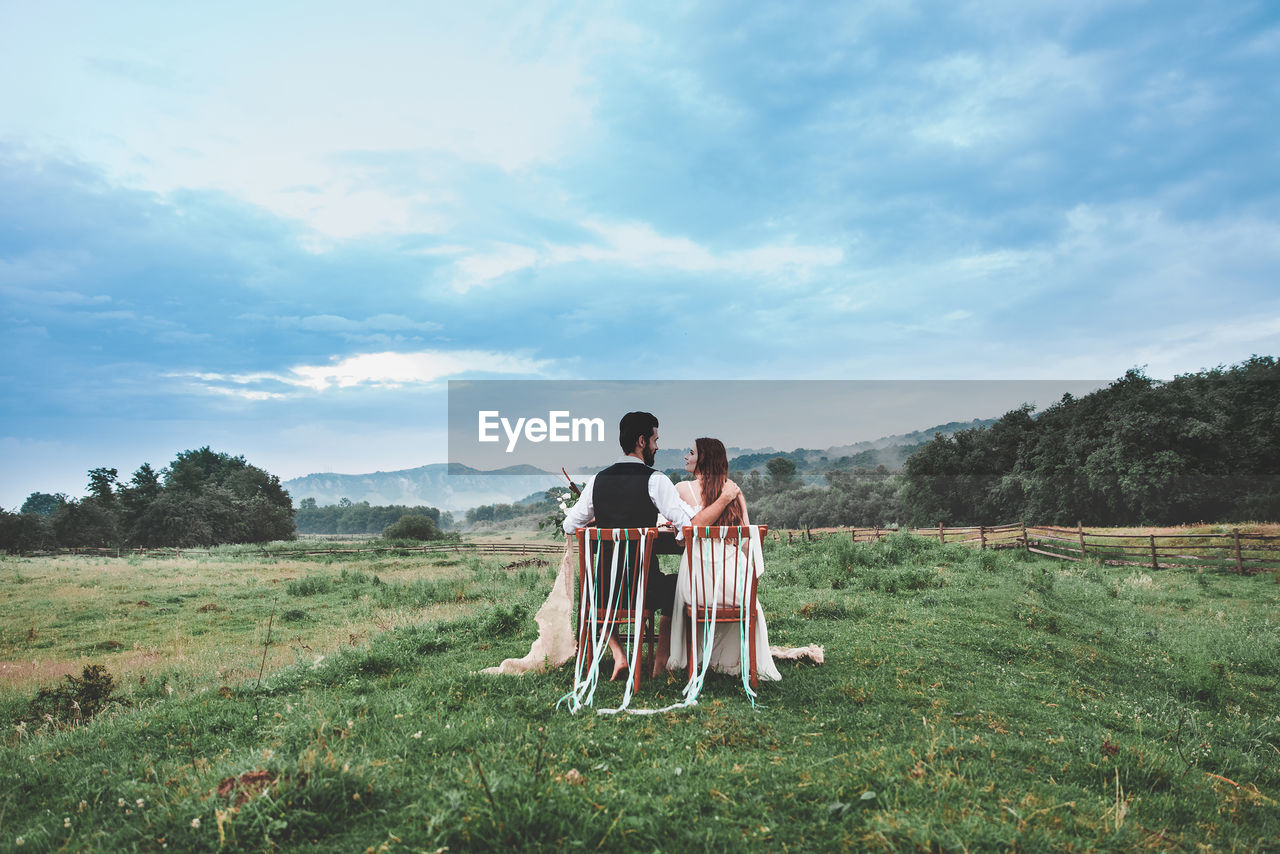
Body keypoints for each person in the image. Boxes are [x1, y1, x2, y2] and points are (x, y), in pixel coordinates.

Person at [563, 412, 742, 680]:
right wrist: (678, 537)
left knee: (594, 598)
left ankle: (619, 655)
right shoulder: (655, 480)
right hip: (642, 588)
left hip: (602, 589)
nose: (657, 446)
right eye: (656, 440)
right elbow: (688, 525)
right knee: (673, 588)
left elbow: (569, 525)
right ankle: (659, 662)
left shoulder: (598, 480)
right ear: (642, 441)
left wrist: (599, 521)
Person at [668, 437, 782, 682]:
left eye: (691, 453)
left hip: (697, 587)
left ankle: (699, 658)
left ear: (704, 459)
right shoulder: (733, 490)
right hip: (736, 589)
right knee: (751, 601)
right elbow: (746, 540)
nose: (686, 457)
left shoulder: (682, 489)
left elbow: (693, 526)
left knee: (697, 583)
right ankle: (737, 657)